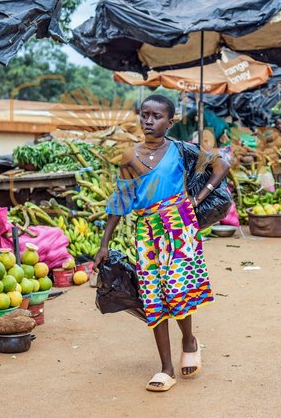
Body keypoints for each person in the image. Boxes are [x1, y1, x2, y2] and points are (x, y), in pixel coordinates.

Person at [94, 94, 230, 393]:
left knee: (177, 289)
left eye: (157, 116)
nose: (149, 121)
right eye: (145, 115)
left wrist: (198, 197)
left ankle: (189, 340)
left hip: (180, 227)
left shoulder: (182, 150)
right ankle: (166, 367)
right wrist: (104, 244)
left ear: (171, 121)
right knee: (153, 296)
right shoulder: (130, 157)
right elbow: (121, 199)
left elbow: (221, 166)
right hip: (146, 233)